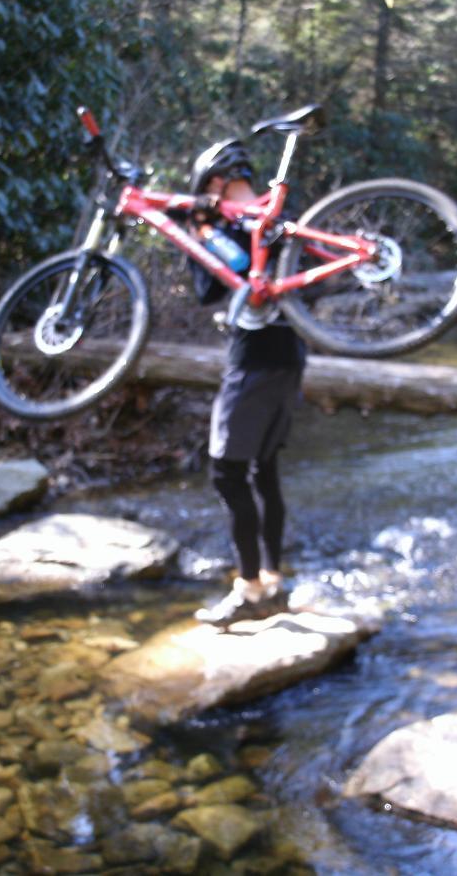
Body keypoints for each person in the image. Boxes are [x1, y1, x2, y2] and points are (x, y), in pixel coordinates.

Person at [185, 138, 307, 627]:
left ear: (213, 183)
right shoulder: (274, 217)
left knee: (227, 473)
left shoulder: (225, 224)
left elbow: (214, 283)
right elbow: (215, 285)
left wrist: (200, 231)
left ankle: (252, 589)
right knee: (264, 469)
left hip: (254, 358)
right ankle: (274, 581)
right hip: (292, 353)